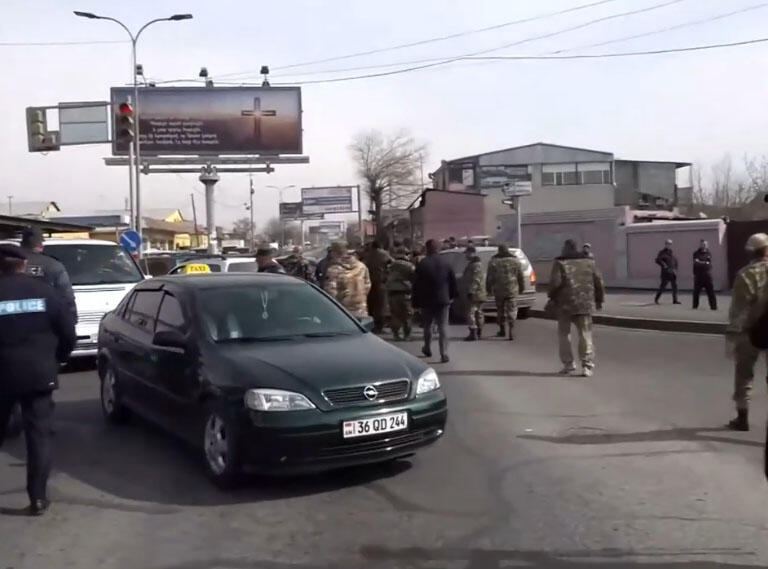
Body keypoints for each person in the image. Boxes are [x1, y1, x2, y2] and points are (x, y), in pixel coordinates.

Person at [0, 244, 76, 516]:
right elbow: (68, 332)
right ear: (23, 265)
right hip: (39, 375)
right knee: (39, 436)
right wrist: (59, 359)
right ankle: (39, 499)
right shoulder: (46, 292)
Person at [724, 233, 768, 431]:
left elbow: (738, 310)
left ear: (750, 252)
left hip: (749, 333)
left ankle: (742, 418)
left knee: (743, 375)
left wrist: (731, 337)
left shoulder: (745, 274)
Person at [548, 239, 605, 377]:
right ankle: (587, 365)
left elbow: (555, 283)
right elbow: (599, 281)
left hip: (565, 305)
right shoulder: (589, 262)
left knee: (564, 334)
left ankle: (568, 364)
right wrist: (599, 300)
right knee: (585, 334)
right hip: (584, 304)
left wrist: (551, 297)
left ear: (565, 248)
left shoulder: (560, 262)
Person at [413, 239, 457, 363]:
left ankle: (427, 347)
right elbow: (452, 282)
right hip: (443, 299)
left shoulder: (422, 264)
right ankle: (444, 353)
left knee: (427, 325)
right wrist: (452, 296)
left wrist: (415, 301)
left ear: (427, 249)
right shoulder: (446, 263)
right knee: (443, 326)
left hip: (426, 300)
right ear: (439, 248)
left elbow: (416, 284)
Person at [20, 227, 77, 321]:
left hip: (13, 320)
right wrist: (72, 318)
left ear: (22, 244)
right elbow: (66, 295)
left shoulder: (10, 263)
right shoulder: (52, 264)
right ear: (40, 245)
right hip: (45, 319)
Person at [486, 244, 525, 340]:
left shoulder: (493, 261)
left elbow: (489, 277)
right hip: (512, 290)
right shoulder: (515, 261)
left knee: (500, 310)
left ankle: (502, 329)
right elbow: (520, 276)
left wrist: (488, 288)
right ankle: (511, 330)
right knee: (512, 310)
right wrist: (522, 287)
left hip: (499, 290)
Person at [323, 242, 371, 318]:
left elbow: (331, 293)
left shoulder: (334, 269)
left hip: (343, 313)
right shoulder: (362, 266)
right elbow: (367, 285)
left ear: (335, 253)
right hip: (361, 309)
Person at [385, 247, 415, 341]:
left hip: (392, 293)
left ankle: (396, 334)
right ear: (406, 254)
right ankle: (407, 335)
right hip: (405, 293)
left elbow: (385, 278)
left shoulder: (390, 265)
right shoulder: (410, 266)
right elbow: (414, 278)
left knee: (395, 315)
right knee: (407, 315)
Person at [362, 241, 391, 333]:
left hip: (368, 282)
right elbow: (392, 264)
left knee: (370, 304)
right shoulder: (384, 254)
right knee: (380, 305)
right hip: (380, 282)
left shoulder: (366, 254)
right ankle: (379, 326)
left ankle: (370, 325)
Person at [461, 245, 487, 342]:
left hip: (475, 293)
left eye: (467, 253)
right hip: (478, 292)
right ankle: (478, 332)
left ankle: (474, 333)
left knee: (471, 313)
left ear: (472, 253)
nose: (466, 255)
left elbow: (476, 279)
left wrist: (471, 291)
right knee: (478, 313)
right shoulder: (473, 264)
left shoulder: (476, 265)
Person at [692, 239, 717, 310]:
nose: (704, 245)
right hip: (699, 276)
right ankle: (695, 307)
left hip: (707, 276)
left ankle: (713, 307)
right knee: (696, 292)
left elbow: (708, 263)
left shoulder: (709, 253)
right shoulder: (696, 253)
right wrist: (704, 263)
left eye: (705, 244)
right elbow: (696, 263)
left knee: (711, 292)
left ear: (707, 245)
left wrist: (701, 262)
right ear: (700, 245)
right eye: (702, 244)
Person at [654, 239, 681, 305]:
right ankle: (656, 299)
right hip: (665, 273)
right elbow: (657, 260)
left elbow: (675, 261)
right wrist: (664, 265)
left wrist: (675, 269)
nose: (669, 245)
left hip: (672, 273)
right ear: (665, 244)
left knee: (674, 287)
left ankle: (675, 300)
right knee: (662, 287)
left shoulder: (672, 253)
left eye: (670, 244)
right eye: (668, 244)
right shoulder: (662, 252)